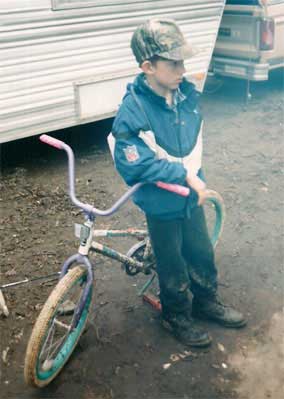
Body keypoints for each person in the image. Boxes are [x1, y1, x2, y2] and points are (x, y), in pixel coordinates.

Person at [110, 18, 246, 347]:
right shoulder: (134, 109)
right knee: (171, 263)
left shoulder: (184, 94)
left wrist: (193, 178)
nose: (181, 69)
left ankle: (206, 300)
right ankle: (175, 315)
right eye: (173, 63)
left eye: (182, 61)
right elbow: (135, 162)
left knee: (200, 251)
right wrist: (183, 175)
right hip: (162, 202)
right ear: (148, 66)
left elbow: (190, 142)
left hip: (191, 196)